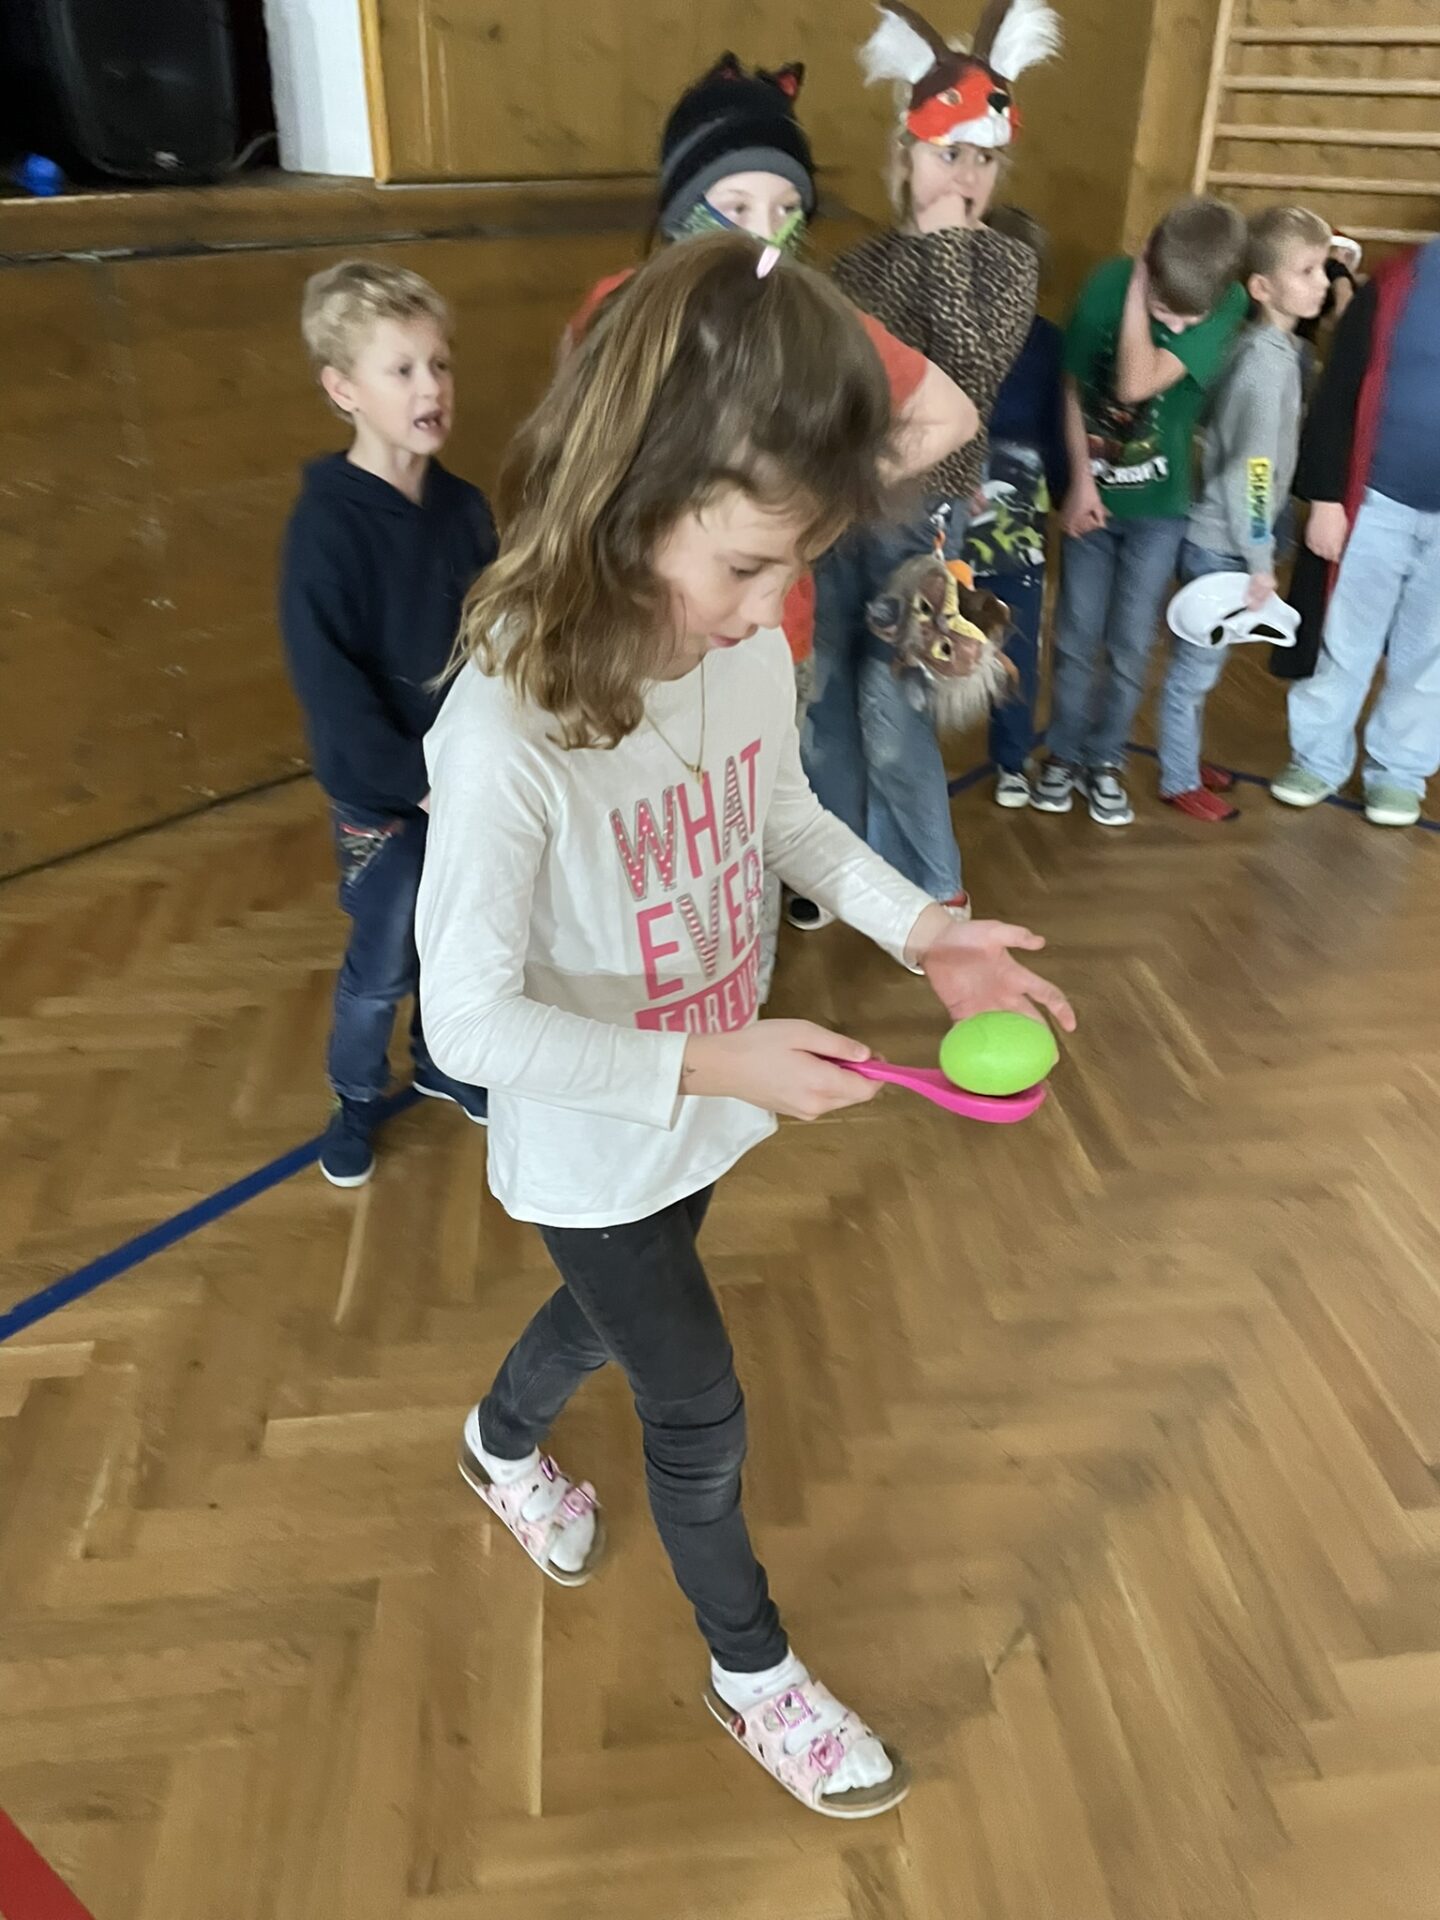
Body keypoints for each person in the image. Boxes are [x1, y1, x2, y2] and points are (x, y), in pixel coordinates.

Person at [415, 235, 1074, 1819]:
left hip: (705, 1104)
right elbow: (466, 1024)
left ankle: (498, 1443)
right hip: (601, 1137)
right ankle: (752, 1671)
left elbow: (785, 817)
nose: (778, 607)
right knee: (696, 1404)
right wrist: (714, 1061)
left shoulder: (742, 649)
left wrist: (926, 930)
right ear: (631, 496)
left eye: (801, 566)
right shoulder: (506, 733)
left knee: (614, 1311)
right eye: (747, 567)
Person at [562, 51, 980, 972]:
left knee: (744, 824)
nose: (765, 233)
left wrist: (806, 507)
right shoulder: (618, 313)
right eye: (738, 206)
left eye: (787, 208)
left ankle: (735, 979)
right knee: (640, 835)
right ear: (683, 211)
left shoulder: (813, 319)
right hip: (635, 631)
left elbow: (948, 413)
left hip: (767, 639)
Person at [793, 0, 1057, 917]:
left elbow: (969, 378)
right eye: (949, 153)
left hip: (925, 520)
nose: (967, 175)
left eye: (984, 159)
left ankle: (935, 889)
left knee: (892, 705)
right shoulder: (859, 265)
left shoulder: (1007, 265)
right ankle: (837, 872)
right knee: (828, 695)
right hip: (842, 511)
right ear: (906, 155)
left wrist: (948, 247)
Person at [279, 261, 496, 1187]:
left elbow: (492, 642)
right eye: (401, 370)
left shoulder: (465, 508)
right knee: (383, 962)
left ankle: (443, 1061)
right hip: (386, 798)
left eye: (439, 365)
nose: (430, 388)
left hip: (466, 782)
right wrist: (418, 782)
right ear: (344, 390)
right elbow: (332, 687)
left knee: (462, 944)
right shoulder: (326, 529)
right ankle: (355, 1096)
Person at [1030, 197, 1247, 826]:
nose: (1174, 325)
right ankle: (1063, 755)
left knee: (1129, 644)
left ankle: (1105, 759)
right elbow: (1075, 390)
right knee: (1075, 637)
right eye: (1163, 309)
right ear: (1151, 260)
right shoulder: (1104, 285)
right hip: (1092, 503)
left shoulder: (1228, 300)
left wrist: (1142, 298)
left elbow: (1132, 383)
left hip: (1160, 509)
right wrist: (1080, 484)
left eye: (1187, 319)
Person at [1155, 206, 1331, 822]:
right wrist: (1259, 560)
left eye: (1323, 268)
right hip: (1224, 545)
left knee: (1206, 665)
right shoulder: (1264, 365)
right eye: (1307, 271)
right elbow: (1251, 473)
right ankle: (1177, 777)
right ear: (1261, 287)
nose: (1323, 283)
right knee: (1195, 670)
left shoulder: (1269, 349)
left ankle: (1184, 756)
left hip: (1230, 540)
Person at [1271, 235, 1440, 829]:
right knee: (1344, 641)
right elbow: (1338, 391)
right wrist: (1324, 499)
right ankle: (1317, 759)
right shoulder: (1395, 285)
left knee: (1430, 656)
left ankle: (1399, 773)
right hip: (1373, 502)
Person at [962, 204, 1069, 809]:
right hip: (951, 501)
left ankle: (1011, 758)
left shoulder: (1048, 343)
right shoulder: (948, 333)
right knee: (935, 622)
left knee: (1016, 635)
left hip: (1017, 511)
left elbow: (1057, 429)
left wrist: (1064, 493)